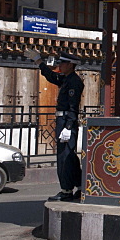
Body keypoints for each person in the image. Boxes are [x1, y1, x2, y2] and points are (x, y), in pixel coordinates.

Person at [39, 52, 84, 202]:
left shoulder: (74, 81)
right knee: (70, 156)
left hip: (66, 121)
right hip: (63, 120)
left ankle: (66, 190)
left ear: (70, 65)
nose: (60, 66)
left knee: (64, 157)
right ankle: (80, 185)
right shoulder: (66, 79)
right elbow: (52, 76)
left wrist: (69, 126)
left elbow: (73, 106)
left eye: (63, 63)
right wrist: (39, 62)